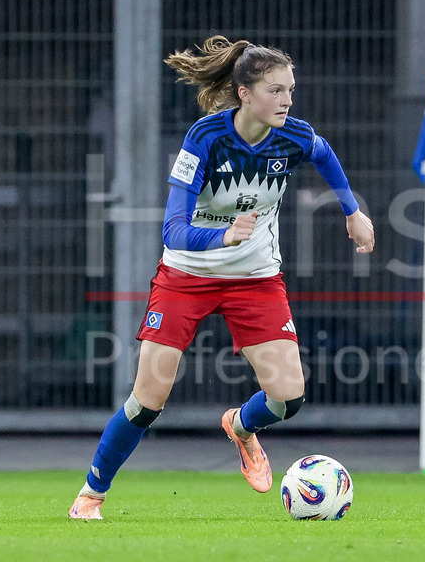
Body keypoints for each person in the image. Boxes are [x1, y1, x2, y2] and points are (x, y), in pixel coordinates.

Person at [70, 35, 375, 520]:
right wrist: (224, 236)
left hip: (256, 279)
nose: (287, 101)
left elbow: (323, 153)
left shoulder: (293, 136)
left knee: (288, 398)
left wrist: (352, 211)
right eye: (276, 91)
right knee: (148, 400)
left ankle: (241, 426)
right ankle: (91, 494)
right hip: (185, 276)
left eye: (290, 90)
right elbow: (172, 230)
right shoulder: (205, 138)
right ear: (244, 93)